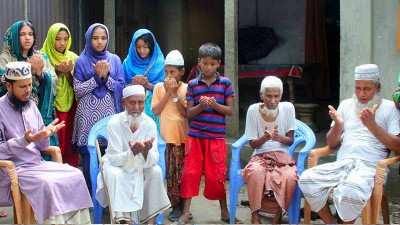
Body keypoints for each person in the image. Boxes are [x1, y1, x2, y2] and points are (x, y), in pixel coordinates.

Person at [298, 64, 400, 224]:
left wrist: (373, 126)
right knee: (306, 179)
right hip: (343, 164)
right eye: (357, 88)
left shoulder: (389, 108)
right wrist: (338, 125)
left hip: (369, 167)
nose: (361, 94)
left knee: (350, 189)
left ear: (378, 87)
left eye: (367, 89)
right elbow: (331, 143)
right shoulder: (346, 105)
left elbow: (398, 146)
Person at [0, 61, 93, 224]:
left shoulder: (31, 106)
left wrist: (45, 135)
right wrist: (25, 140)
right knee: (48, 184)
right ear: (9, 86)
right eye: (22, 87)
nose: (28, 90)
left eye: (29, 85)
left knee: (76, 175)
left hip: (37, 164)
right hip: (15, 168)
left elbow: (42, 147)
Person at [178, 43, 240, 224]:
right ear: (199, 63)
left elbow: (229, 111)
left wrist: (214, 105)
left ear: (218, 64)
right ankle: (185, 212)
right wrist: (202, 105)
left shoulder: (225, 83)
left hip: (216, 137)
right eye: (205, 63)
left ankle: (224, 212)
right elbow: (189, 113)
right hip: (195, 137)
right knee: (190, 173)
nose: (208, 67)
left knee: (218, 175)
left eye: (212, 64)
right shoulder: (193, 85)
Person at [96, 85, 170, 224]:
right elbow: (113, 158)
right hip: (118, 165)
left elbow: (154, 159)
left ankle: (150, 221)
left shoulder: (150, 124)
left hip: (141, 165)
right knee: (115, 174)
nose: (136, 107)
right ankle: (125, 221)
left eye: (140, 102)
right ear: (123, 102)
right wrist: (131, 153)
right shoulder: (114, 123)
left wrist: (146, 153)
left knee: (156, 171)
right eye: (132, 102)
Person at [72, 23, 125, 194]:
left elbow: (121, 86)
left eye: (103, 38)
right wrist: (97, 78)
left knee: (109, 155)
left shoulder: (115, 60)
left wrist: (106, 77)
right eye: (95, 38)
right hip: (87, 116)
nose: (99, 42)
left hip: (109, 117)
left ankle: (108, 196)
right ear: (88, 39)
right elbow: (78, 90)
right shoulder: (81, 61)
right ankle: (90, 195)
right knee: (89, 156)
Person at [242, 76, 298, 224]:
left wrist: (278, 138)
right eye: (268, 96)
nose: (272, 101)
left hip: (283, 156)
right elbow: (253, 144)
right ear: (261, 95)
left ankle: (278, 216)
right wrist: (265, 138)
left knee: (290, 176)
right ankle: (255, 215)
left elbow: (290, 140)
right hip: (259, 155)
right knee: (255, 172)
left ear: (281, 94)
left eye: (276, 96)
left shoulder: (288, 108)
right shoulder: (253, 110)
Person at [0, 20, 58, 147]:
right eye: (22, 34)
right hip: (13, 110)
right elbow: (3, 81)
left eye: (31, 34)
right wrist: (26, 69)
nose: (27, 38)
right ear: (14, 37)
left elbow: (54, 81)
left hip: (39, 110)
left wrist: (40, 74)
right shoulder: (6, 58)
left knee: (44, 144)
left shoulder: (42, 57)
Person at [151, 50, 189, 222]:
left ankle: (183, 207)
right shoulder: (159, 87)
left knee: (183, 174)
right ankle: (174, 207)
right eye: (166, 72)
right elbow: (156, 110)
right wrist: (167, 92)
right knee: (171, 175)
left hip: (183, 139)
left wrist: (174, 94)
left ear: (182, 72)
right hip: (166, 139)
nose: (169, 76)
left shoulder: (187, 89)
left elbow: (185, 112)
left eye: (172, 72)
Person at [41, 23, 79, 167]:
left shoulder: (74, 58)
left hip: (71, 107)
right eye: (58, 39)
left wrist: (68, 73)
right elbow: (40, 82)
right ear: (51, 39)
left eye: (65, 39)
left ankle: (71, 175)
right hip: (51, 107)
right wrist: (57, 72)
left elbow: (79, 85)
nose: (62, 43)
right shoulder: (43, 56)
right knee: (54, 141)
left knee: (69, 142)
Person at [123, 28, 165, 129]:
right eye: (138, 47)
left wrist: (147, 85)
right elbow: (121, 87)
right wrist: (133, 84)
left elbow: (166, 90)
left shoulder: (161, 63)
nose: (142, 51)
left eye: (145, 47)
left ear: (152, 46)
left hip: (154, 107)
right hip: (133, 108)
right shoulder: (127, 63)